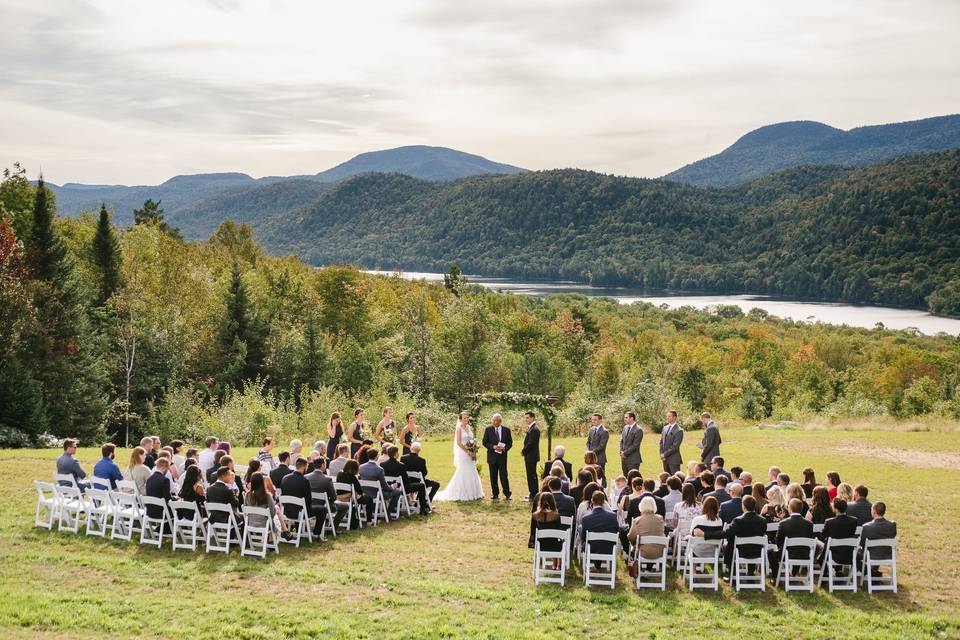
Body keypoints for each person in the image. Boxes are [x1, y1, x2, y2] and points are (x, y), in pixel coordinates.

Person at [695, 495, 767, 572]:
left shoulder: (738, 520)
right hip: (758, 552)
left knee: (728, 545)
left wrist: (705, 534)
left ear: (743, 506)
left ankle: (732, 572)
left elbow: (726, 533)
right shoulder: (763, 520)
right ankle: (750, 572)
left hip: (740, 552)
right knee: (746, 544)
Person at [434, 411, 484, 501]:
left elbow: (472, 440)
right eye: (464, 418)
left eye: (467, 418)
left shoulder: (469, 427)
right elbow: (459, 443)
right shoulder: (459, 428)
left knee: (472, 470)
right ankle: (461, 493)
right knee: (463, 471)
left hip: (471, 451)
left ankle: (474, 492)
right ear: (460, 419)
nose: (466, 419)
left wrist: (474, 450)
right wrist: (468, 451)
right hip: (463, 453)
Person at [382, 445, 429, 515]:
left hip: (388, 487)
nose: (398, 454)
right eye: (397, 452)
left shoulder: (382, 464)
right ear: (395, 454)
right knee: (421, 485)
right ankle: (423, 508)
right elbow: (406, 480)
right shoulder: (401, 465)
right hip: (402, 488)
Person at [306, 455, 348, 530]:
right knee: (345, 506)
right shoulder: (327, 479)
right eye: (325, 464)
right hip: (324, 506)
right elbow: (333, 497)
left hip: (309, 505)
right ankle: (333, 527)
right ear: (322, 465)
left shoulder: (306, 477)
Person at [771, 498, 814, 570]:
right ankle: (793, 573)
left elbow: (778, 541)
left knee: (770, 552)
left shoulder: (783, 523)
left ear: (790, 509)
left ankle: (775, 575)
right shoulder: (809, 524)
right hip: (805, 554)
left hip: (787, 554)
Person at [359, 448, 401, 519]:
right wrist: (392, 487)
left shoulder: (361, 467)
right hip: (376, 493)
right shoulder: (379, 469)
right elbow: (384, 486)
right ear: (376, 456)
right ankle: (388, 513)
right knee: (398, 492)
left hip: (364, 492)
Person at [482, 413, 513, 500]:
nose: (494, 422)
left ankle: (507, 493)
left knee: (503, 475)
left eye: (496, 421)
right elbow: (484, 442)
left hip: (502, 457)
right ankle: (495, 494)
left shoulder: (506, 430)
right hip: (492, 457)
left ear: (500, 421)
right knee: (493, 476)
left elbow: (510, 443)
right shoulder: (488, 430)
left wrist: (504, 448)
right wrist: (493, 446)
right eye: (493, 420)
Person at [819, 498, 858, 566]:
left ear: (836, 509)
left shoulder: (829, 522)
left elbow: (824, 535)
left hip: (834, 553)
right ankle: (838, 571)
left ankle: (826, 571)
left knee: (824, 545)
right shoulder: (854, 520)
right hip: (849, 552)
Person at [579, 491, 620, 556]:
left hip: (592, 548)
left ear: (592, 501)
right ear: (604, 502)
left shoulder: (586, 518)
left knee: (580, 529)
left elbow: (584, 537)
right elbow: (617, 531)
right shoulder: (612, 516)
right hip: (609, 548)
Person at [244, 472, 284, 536]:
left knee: (273, 517)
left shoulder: (247, 495)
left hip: (250, 523)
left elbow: (245, 510)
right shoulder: (267, 496)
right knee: (275, 519)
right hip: (265, 524)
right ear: (262, 482)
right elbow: (272, 513)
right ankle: (273, 538)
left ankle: (270, 539)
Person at [336, 459, 373, 528]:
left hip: (340, 497)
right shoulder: (352, 478)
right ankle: (369, 521)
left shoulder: (339, 474)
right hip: (350, 498)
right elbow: (359, 491)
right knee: (369, 499)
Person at [529, 493, 566, 557]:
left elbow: (533, 532)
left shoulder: (535, 516)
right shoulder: (556, 516)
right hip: (555, 545)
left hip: (540, 545)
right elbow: (559, 530)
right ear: (553, 502)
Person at [860, 502, 897, 567]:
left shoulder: (866, 527)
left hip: (871, 556)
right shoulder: (892, 525)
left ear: (874, 512)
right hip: (887, 555)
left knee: (856, 554)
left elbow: (862, 543)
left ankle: (868, 571)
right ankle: (873, 571)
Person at [280, 457, 314, 525]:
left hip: (286, 511)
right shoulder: (305, 481)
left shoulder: (285, 478)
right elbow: (308, 501)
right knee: (322, 510)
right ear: (304, 467)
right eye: (307, 466)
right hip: (299, 513)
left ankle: (299, 528)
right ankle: (316, 533)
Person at [520, 411, 541, 502]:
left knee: (532, 475)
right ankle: (532, 493)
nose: (526, 419)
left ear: (533, 418)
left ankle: (534, 494)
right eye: (525, 418)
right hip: (530, 456)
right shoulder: (531, 428)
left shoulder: (534, 429)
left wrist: (523, 451)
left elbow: (531, 443)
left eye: (527, 418)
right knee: (530, 475)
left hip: (531, 456)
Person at [619, 411, 643, 476]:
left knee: (633, 478)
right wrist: (621, 451)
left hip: (633, 459)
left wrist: (625, 453)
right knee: (625, 477)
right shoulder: (625, 428)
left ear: (632, 418)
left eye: (626, 417)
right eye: (624, 417)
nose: (624, 419)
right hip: (624, 459)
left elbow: (635, 445)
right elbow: (622, 441)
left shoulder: (638, 430)